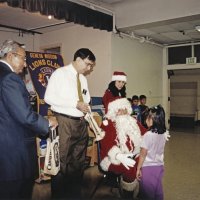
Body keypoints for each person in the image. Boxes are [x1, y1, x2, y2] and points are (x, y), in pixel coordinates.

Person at [0, 39, 58, 199]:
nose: (26, 64)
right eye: (24, 59)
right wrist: (47, 122)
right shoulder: (10, 79)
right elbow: (24, 115)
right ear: (11, 56)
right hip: (12, 153)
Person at [44, 48, 96, 199]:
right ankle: (59, 196)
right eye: (87, 64)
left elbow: (85, 101)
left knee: (78, 162)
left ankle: (74, 195)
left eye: (91, 66)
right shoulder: (60, 74)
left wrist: (89, 115)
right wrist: (75, 103)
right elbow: (48, 98)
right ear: (78, 59)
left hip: (81, 123)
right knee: (62, 162)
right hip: (65, 122)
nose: (89, 68)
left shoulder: (83, 79)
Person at [100, 98, 147, 199]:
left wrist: (157, 133)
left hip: (134, 153)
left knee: (146, 163)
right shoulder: (108, 124)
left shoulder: (132, 121)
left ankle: (140, 190)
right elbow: (106, 144)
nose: (122, 111)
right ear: (114, 111)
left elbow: (145, 133)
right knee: (129, 168)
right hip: (113, 157)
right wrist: (119, 156)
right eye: (119, 109)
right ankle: (128, 195)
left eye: (124, 108)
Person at [136, 105, 170, 200]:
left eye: (148, 117)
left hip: (148, 168)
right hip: (159, 166)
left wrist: (138, 169)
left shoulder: (148, 135)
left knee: (147, 194)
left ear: (153, 120)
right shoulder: (164, 134)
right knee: (157, 190)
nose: (146, 119)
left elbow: (143, 155)